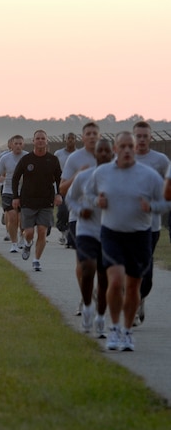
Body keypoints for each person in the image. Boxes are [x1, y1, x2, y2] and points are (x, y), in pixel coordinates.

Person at [86, 131, 164, 352]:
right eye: (124, 146)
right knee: (116, 281)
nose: (128, 150)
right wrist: (96, 201)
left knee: (132, 287)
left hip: (140, 235)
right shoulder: (102, 173)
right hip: (112, 233)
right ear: (115, 150)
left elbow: (165, 202)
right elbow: (88, 195)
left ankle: (127, 331)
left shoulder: (149, 175)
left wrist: (152, 207)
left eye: (131, 146)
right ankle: (114, 328)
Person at [66, 138, 113, 335]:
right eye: (99, 150)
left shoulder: (117, 178)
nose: (102, 153)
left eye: (106, 151)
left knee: (104, 278)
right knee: (87, 268)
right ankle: (87, 307)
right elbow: (70, 198)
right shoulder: (84, 176)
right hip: (86, 229)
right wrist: (80, 210)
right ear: (95, 154)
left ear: (112, 154)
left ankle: (101, 316)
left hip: (109, 232)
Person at [59, 122, 100, 314]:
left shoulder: (109, 157)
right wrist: (77, 175)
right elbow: (62, 188)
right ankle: (85, 299)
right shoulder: (75, 158)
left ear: (99, 136)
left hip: (105, 218)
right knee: (83, 263)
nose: (92, 136)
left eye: (95, 133)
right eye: (88, 133)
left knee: (103, 263)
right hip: (79, 217)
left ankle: (97, 292)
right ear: (82, 138)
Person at [132, 121, 170, 324]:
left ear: (151, 138)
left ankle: (140, 298)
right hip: (125, 224)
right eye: (138, 136)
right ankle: (132, 301)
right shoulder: (124, 158)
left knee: (145, 268)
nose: (142, 140)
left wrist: (154, 205)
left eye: (145, 136)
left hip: (151, 224)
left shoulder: (160, 160)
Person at [12, 130, 62, 271]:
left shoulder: (52, 160)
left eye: (43, 139)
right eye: (37, 138)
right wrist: (16, 197)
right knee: (28, 232)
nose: (40, 141)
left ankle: (36, 260)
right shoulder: (27, 159)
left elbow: (59, 179)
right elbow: (15, 178)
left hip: (46, 201)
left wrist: (59, 194)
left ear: (47, 141)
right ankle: (28, 244)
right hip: (28, 200)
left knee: (42, 231)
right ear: (33, 141)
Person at [0, 135, 28, 253]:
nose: (18, 146)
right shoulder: (5, 158)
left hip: (25, 191)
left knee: (22, 218)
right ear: (11, 145)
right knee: (13, 217)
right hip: (8, 191)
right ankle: (14, 243)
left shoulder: (28, 157)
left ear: (23, 145)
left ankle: (22, 237)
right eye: (16, 143)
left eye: (20, 144)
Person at [54, 133, 77, 246]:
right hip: (62, 185)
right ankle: (63, 231)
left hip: (75, 187)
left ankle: (70, 234)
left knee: (72, 211)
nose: (70, 141)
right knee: (63, 211)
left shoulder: (78, 155)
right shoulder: (59, 154)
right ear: (65, 140)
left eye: (72, 139)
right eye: (68, 138)